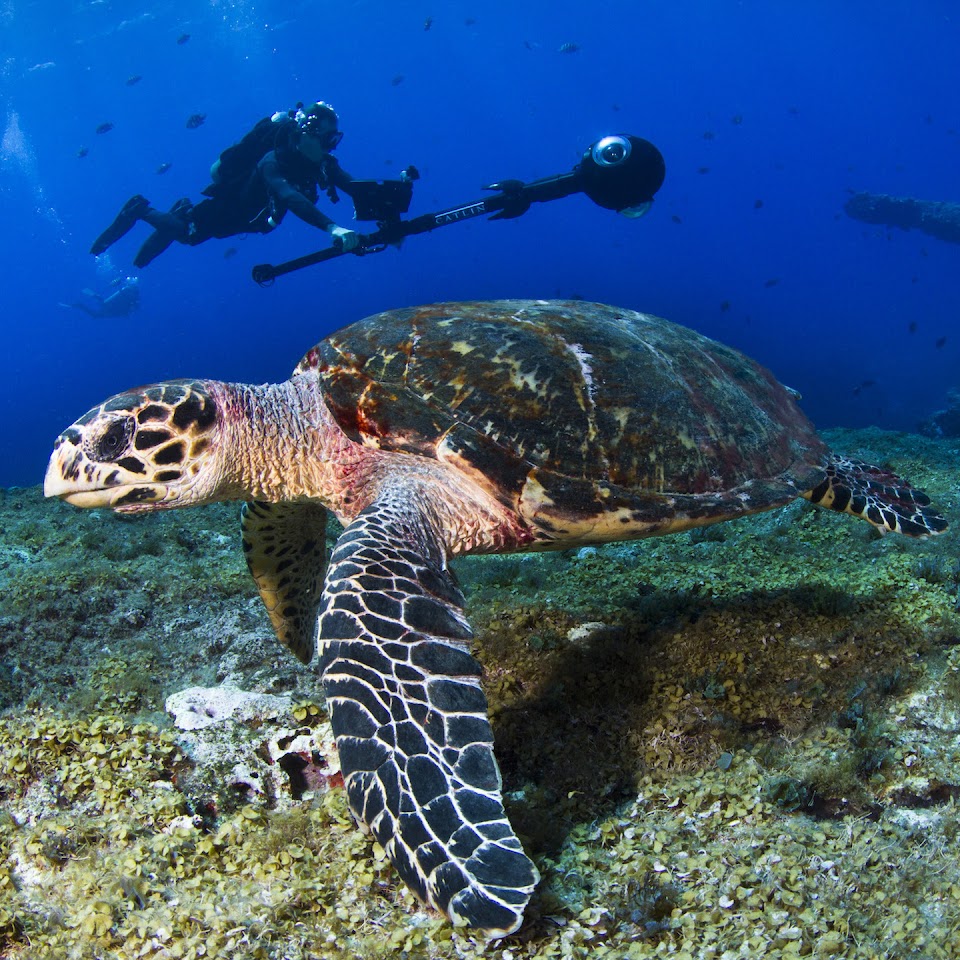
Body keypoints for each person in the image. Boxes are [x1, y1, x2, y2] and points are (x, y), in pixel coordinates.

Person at [90, 102, 363, 267]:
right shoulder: (272, 160)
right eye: (328, 139)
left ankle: (181, 210)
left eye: (335, 139)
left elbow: (355, 186)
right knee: (189, 235)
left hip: (247, 219)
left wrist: (384, 208)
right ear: (308, 134)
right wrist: (333, 227)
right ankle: (140, 209)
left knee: (187, 233)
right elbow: (288, 194)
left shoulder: (320, 162)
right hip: (229, 208)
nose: (331, 147)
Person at [61, 276, 140, 318]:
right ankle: (83, 303)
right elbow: (131, 307)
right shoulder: (131, 295)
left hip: (114, 308)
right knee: (98, 312)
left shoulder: (129, 294)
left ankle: (81, 304)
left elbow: (130, 307)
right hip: (114, 308)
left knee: (98, 311)